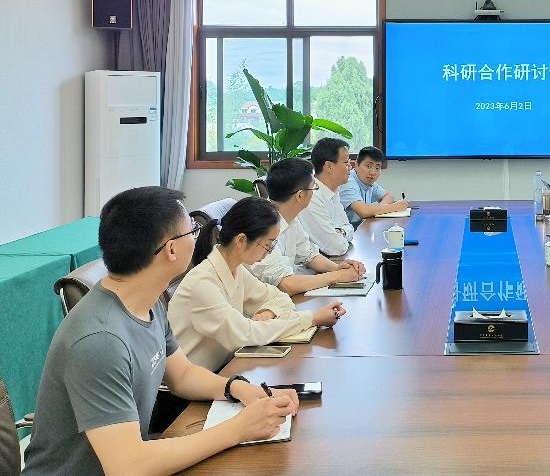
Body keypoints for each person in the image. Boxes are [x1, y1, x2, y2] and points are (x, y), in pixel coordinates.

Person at [22, 187, 298, 476]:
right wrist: (238, 429)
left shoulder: (149, 301)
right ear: (171, 249)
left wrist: (239, 388)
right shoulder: (100, 340)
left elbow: (183, 376)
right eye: (192, 230)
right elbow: (128, 466)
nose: (198, 236)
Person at [169, 197, 347, 372]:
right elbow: (246, 334)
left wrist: (268, 312)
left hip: (223, 367)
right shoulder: (202, 284)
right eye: (268, 245)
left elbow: (280, 297)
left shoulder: (236, 269)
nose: (269, 253)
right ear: (241, 240)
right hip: (191, 384)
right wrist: (313, 318)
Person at [249, 157, 362, 295]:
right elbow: (286, 284)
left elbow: (309, 255)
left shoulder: (290, 218)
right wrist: (337, 276)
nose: (315, 192)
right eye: (314, 187)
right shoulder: (262, 227)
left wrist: (338, 268)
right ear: (300, 196)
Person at [298, 137, 359, 257]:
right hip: (311, 265)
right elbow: (335, 248)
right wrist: (342, 233)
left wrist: (341, 232)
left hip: (328, 260)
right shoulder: (312, 196)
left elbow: (350, 228)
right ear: (329, 166)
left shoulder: (333, 191)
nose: (350, 167)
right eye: (346, 162)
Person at [339, 146, 409, 227]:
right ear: (356, 165)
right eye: (368, 166)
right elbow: (363, 211)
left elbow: (388, 196)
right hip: (345, 231)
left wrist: (381, 208)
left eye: (377, 168)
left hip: (361, 228)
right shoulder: (348, 181)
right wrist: (395, 207)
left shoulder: (367, 181)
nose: (373, 172)